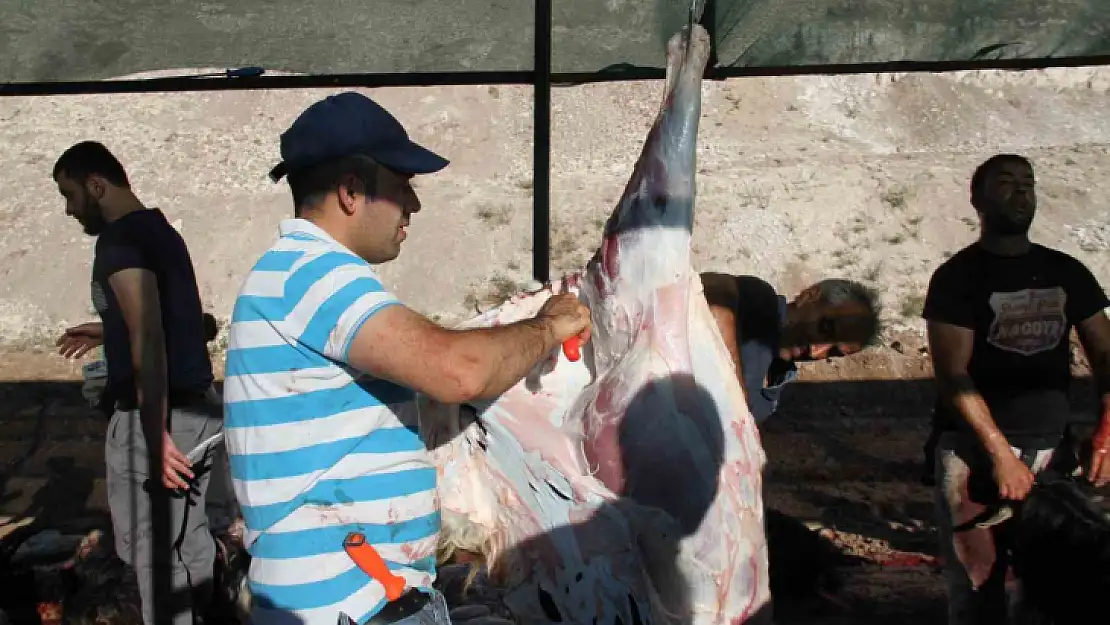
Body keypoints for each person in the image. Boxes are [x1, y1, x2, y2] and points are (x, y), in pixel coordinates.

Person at [222, 91, 592, 625]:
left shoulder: (300, 275)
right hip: (344, 606)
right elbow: (457, 370)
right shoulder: (310, 273)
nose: (413, 207)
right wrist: (550, 327)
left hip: (365, 595)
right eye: (401, 188)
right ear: (351, 192)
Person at [922, 153, 1110, 624]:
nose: (1021, 191)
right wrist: (1000, 453)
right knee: (976, 589)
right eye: (1006, 182)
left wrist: (1106, 430)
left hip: (1052, 455)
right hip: (972, 456)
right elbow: (953, 376)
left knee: (1057, 587)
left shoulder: (1066, 272)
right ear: (977, 199)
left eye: (1027, 182)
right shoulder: (957, 278)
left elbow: (1107, 356)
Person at [53, 141, 224, 625]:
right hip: (200, 413)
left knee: (151, 559)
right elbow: (180, 317)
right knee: (189, 539)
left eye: (69, 195)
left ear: (96, 184)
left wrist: (154, 437)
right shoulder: (159, 230)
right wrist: (106, 328)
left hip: (157, 419)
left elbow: (148, 339)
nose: (69, 210)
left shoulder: (119, 242)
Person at [699, 272, 880, 424]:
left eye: (833, 352)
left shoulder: (772, 392)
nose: (816, 351)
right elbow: (712, 288)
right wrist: (734, 390)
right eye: (825, 329)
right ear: (809, 296)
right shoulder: (761, 302)